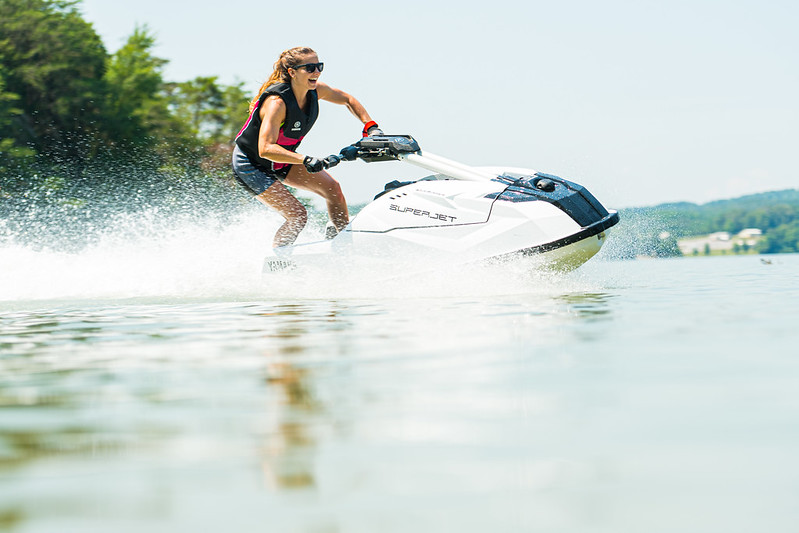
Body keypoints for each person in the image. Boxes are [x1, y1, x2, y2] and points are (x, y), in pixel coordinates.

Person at [232, 46, 382, 248]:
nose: (317, 72)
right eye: (310, 68)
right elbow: (265, 149)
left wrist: (370, 126)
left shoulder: (317, 91)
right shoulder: (276, 103)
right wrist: (305, 159)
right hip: (251, 165)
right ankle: (278, 262)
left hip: (281, 160)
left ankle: (345, 245)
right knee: (297, 215)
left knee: (333, 189)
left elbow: (348, 99)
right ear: (292, 72)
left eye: (319, 66)